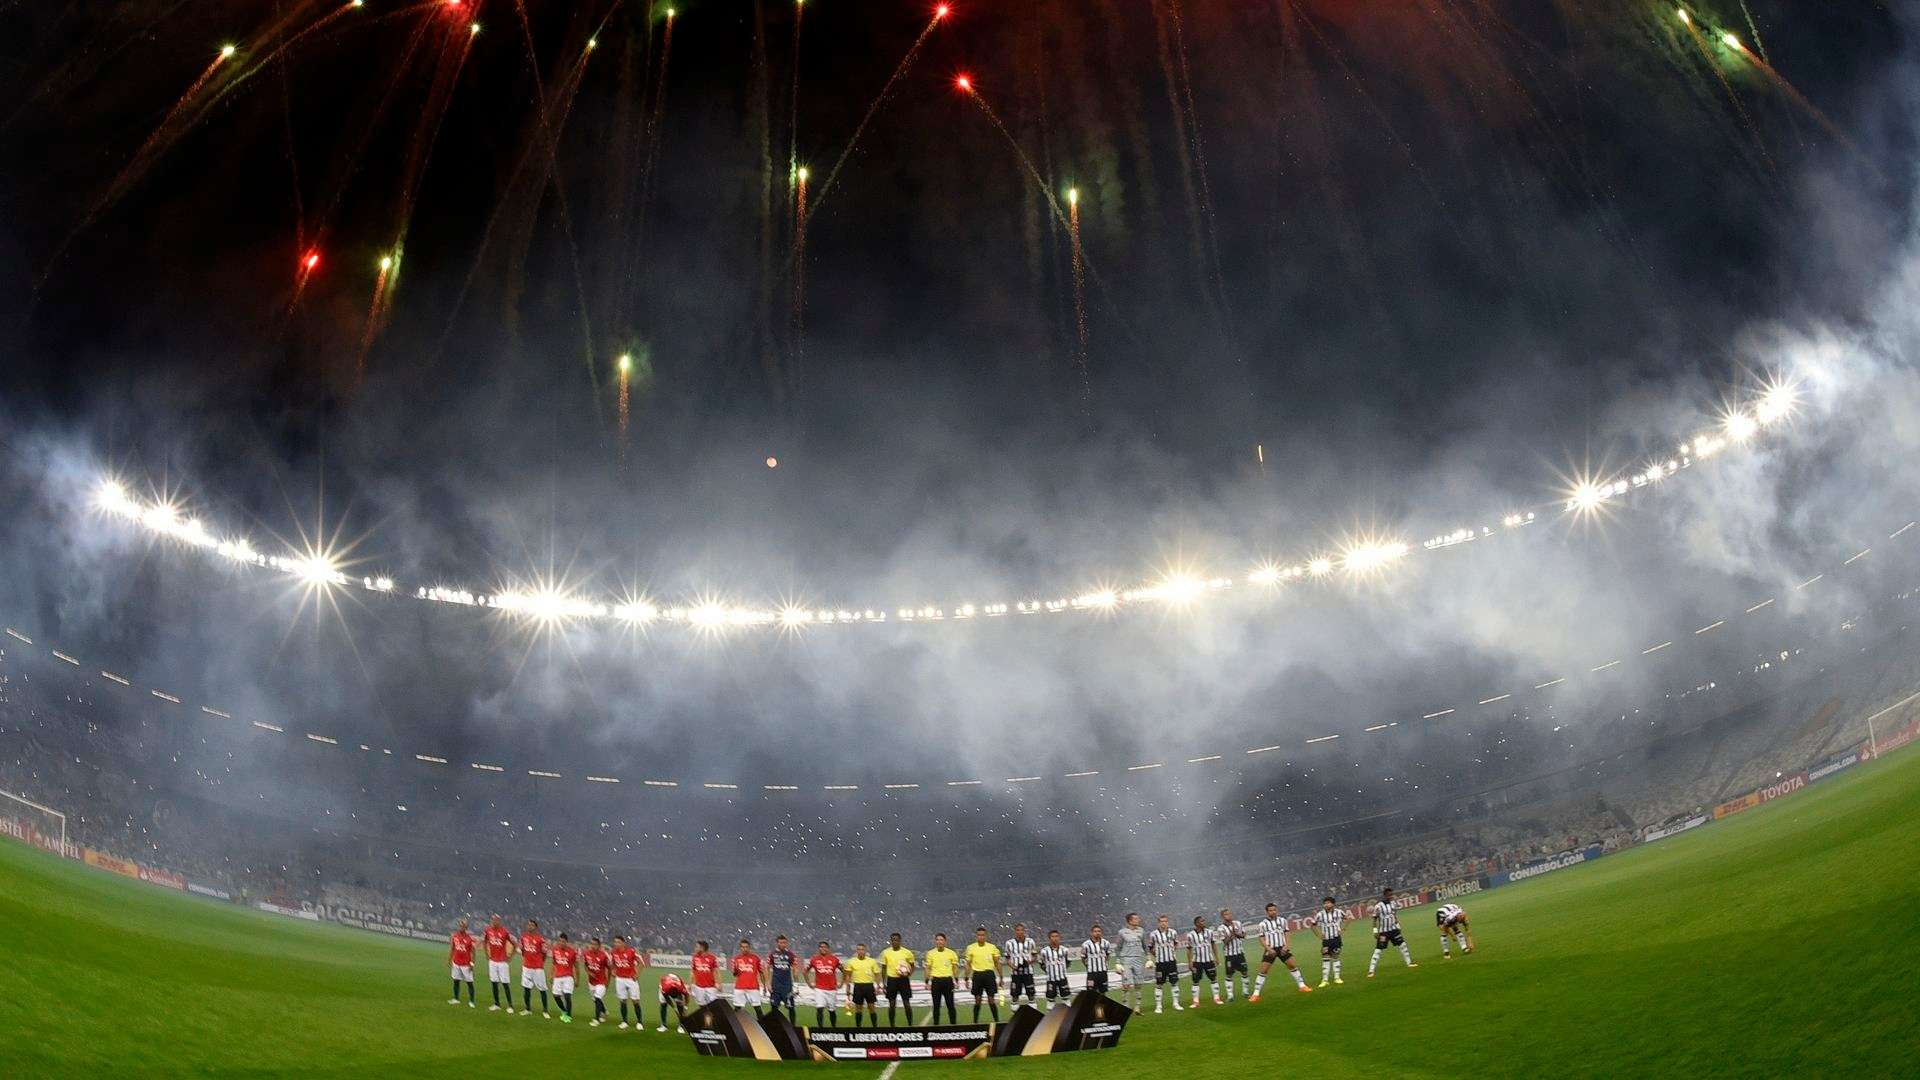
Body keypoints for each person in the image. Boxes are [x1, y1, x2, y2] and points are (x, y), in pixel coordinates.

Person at [1249, 902, 1312, 1000]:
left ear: (1277, 910)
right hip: (1270, 949)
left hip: (1282, 948)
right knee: (1263, 970)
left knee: (1292, 965)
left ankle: (1302, 986)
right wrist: (1269, 949)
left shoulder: (1282, 920)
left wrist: (1286, 946)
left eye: (1274, 910)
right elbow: (1261, 938)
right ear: (1267, 912)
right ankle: (1256, 994)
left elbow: (1287, 933)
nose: (1273, 912)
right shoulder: (1263, 924)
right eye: (1270, 910)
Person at [1367, 887, 1418, 978]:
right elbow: (1374, 919)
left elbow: (1394, 915)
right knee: (1378, 950)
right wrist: (1375, 931)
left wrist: (1398, 925)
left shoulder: (1393, 903)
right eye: (1390, 895)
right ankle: (1371, 971)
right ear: (1385, 895)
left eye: (1392, 894)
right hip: (1384, 932)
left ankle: (1409, 963)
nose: (1391, 896)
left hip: (1394, 929)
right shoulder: (1378, 906)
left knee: (1403, 945)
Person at [1146, 915, 1185, 1014]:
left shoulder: (1173, 932)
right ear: (1158, 923)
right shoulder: (1153, 934)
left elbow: (1176, 944)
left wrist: (1172, 952)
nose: (1164, 923)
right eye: (1162, 921)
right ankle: (1159, 1006)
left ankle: (1176, 1003)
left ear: (1168, 922)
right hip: (1160, 963)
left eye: (1165, 921)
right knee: (1159, 984)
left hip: (1171, 962)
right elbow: (1150, 947)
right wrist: (1156, 955)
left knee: (1174, 982)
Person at [964, 927, 1002, 1023]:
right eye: (979, 935)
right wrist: (966, 978)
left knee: (991, 1000)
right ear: (976, 936)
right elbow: (968, 964)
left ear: (986, 936)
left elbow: (997, 963)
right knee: (977, 1000)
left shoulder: (992, 947)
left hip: (989, 975)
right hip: (977, 975)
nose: (981, 937)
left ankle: (997, 1021)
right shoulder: (971, 948)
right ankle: (975, 1022)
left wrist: (1001, 977)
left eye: (983, 935)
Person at [879, 933, 917, 1027]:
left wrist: (909, 973)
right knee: (892, 1004)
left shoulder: (907, 952)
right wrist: (884, 983)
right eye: (893, 940)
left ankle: (910, 1025)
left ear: (900, 941)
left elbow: (912, 965)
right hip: (891, 980)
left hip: (903, 980)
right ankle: (892, 1026)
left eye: (896, 940)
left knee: (906, 1003)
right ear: (890, 941)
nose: (894, 942)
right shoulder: (885, 952)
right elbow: (883, 968)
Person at [924, 933, 961, 1025]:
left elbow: (955, 968)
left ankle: (953, 1026)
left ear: (945, 941)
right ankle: (936, 1027)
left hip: (948, 981)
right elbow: (928, 968)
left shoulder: (951, 953)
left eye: (941, 940)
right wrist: (927, 981)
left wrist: (956, 980)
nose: (939, 942)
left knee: (950, 1005)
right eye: (937, 940)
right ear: (935, 941)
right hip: (936, 982)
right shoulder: (930, 953)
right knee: (936, 1006)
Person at [1186, 915, 1222, 1007]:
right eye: (1202, 921)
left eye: (1204, 921)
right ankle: (1195, 1001)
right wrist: (1190, 962)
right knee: (1195, 981)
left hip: (1209, 960)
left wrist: (1217, 958)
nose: (1204, 922)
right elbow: (1189, 949)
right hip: (1196, 961)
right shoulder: (1190, 935)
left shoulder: (1209, 932)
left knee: (1213, 978)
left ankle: (1217, 998)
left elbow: (1213, 945)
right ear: (1197, 923)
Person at [842, 943, 882, 1028]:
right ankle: (858, 1028)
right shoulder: (851, 962)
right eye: (859, 949)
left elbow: (877, 974)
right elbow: (848, 975)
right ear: (856, 951)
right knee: (858, 1009)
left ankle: (875, 1027)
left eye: (862, 949)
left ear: (865, 951)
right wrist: (847, 987)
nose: (860, 951)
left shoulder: (872, 961)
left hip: (869, 986)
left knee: (872, 1008)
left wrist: (878, 986)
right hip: (858, 987)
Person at [1115, 913, 1149, 1011]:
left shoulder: (1141, 931)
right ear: (1130, 921)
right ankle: (1125, 1007)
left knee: (1138, 984)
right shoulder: (1122, 932)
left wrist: (1149, 958)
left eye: (1138, 918)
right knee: (1126, 984)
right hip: (1126, 960)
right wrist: (1118, 962)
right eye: (1136, 919)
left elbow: (1144, 946)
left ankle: (1137, 1006)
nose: (1138, 920)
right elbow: (1118, 948)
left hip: (1138, 959)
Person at [1216, 909, 1251, 1002]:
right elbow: (1225, 942)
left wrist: (1238, 934)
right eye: (1226, 914)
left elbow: (1244, 935)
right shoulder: (1220, 928)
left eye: (1230, 913)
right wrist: (1232, 934)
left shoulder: (1238, 923)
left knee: (1245, 972)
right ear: (1222, 917)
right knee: (1229, 974)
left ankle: (1246, 992)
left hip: (1240, 953)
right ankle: (1230, 995)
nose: (1229, 915)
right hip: (1229, 955)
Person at [483, 914, 517, 1012]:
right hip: (492, 961)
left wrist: (510, 956)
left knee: (505, 983)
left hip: (502, 962)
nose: (494, 922)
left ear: (499, 921)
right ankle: (496, 1004)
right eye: (493, 920)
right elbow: (485, 942)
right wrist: (486, 954)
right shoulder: (488, 930)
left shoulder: (505, 932)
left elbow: (515, 944)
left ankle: (510, 1006)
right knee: (494, 982)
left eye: (496, 920)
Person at [610, 934, 644, 1029]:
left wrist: (637, 974)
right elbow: (612, 963)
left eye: (618, 942)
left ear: (623, 943)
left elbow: (641, 963)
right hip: (619, 979)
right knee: (622, 1001)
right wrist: (613, 970)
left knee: (635, 1001)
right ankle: (624, 1021)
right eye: (615, 942)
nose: (616, 944)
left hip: (630, 979)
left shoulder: (631, 951)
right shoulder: (613, 952)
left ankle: (639, 1022)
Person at [807, 941, 843, 1028]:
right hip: (819, 988)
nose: (823, 949)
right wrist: (809, 983)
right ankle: (820, 1029)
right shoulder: (814, 959)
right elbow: (805, 971)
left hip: (832, 988)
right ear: (819, 948)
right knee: (819, 1008)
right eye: (821, 947)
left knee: (832, 1010)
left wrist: (842, 982)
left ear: (828, 949)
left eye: (825, 947)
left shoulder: (834, 959)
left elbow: (844, 970)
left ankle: (834, 1028)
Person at [519, 919, 550, 1018]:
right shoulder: (523, 937)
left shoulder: (540, 939)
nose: (530, 926)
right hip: (527, 967)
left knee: (542, 989)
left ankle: (545, 1010)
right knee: (526, 988)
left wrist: (541, 963)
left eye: (532, 925)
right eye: (528, 925)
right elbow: (523, 950)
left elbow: (545, 953)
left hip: (537, 968)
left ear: (536, 927)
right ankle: (527, 1009)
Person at [1312, 897, 1345, 987]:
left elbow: (1347, 918)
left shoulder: (1339, 912)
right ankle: (1325, 980)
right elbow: (1313, 925)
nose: (1326, 904)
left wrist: (1343, 929)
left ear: (1333, 904)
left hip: (1336, 939)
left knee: (1335, 956)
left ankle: (1337, 978)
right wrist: (1319, 935)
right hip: (1326, 940)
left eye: (1328, 903)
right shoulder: (1320, 914)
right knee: (1325, 958)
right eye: (1325, 903)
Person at [767, 935, 799, 1023]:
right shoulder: (772, 954)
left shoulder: (791, 955)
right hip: (775, 986)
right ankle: (774, 1026)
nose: (782, 944)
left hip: (787, 986)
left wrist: (796, 986)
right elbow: (768, 969)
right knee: (774, 1007)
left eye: (784, 942)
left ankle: (793, 1027)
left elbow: (795, 970)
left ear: (787, 943)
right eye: (780, 942)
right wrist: (768, 983)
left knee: (791, 1008)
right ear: (777, 943)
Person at [1038, 930, 1075, 1006]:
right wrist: (1048, 971)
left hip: (1062, 978)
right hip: (1051, 979)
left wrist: (1062, 970)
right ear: (1049, 938)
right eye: (1053, 936)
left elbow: (1068, 962)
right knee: (1050, 1000)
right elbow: (1041, 964)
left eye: (1056, 936)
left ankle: (1067, 1016)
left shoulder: (1065, 950)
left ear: (1059, 938)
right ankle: (1051, 1017)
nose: (1055, 938)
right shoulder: (1044, 951)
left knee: (1066, 998)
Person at [1004, 924, 1038, 1005]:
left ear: (1024, 931)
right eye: (1018, 930)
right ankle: (1016, 1015)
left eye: (1022, 930)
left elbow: (1035, 956)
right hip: (1015, 973)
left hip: (1028, 972)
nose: (1020, 932)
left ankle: (1032, 1016)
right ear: (1015, 931)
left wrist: (1029, 962)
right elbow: (1007, 958)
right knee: (1015, 996)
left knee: (1031, 995)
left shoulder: (1030, 941)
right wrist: (1013, 966)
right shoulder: (1009, 943)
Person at [582, 936, 611, 1026]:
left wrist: (608, 982)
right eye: (592, 944)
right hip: (591, 982)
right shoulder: (586, 954)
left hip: (601, 981)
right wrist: (588, 972)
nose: (593, 946)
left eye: (595, 944)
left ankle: (596, 1019)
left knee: (598, 997)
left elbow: (609, 969)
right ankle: (604, 1011)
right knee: (595, 999)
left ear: (599, 946)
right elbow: (585, 965)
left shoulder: (604, 955)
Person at [448, 919, 477, 1007]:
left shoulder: (469, 938)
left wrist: (472, 963)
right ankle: (456, 999)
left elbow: (473, 952)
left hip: (466, 964)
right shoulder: (455, 936)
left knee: (469, 983)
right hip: (456, 962)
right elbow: (452, 949)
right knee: (456, 981)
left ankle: (471, 1001)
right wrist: (449, 960)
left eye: (463, 926)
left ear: (466, 927)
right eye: (460, 926)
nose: (461, 927)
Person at [551, 933, 579, 1023]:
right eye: (560, 941)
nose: (561, 943)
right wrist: (551, 975)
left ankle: (568, 1016)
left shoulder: (572, 952)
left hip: (568, 977)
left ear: (567, 942)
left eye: (563, 941)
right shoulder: (555, 950)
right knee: (556, 996)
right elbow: (554, 963)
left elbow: (577, 966)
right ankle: (564, 1010)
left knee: (567, 996)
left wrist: (577, 979)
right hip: (558, 976)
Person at [731, 938, 767, 1009]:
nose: (744, 949)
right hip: (740, 987)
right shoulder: (736, 959)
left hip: (753, 987)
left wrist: (764, 985)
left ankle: (761, 1020)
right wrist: (735, 970)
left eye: (746, 947)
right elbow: (735, 974)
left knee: (758, 1009)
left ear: (749, 947)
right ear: (740, 948)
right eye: (743, 947)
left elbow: (761, 973)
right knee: (737, 1009)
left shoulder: (756, 958)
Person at [1080, 924, 1114, 997]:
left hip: (1103, 972)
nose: (1097, 933)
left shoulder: (1106, 943)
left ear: (1101, 932)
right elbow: (1083, 958)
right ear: (1091, 933)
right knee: (1091, 993)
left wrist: (1105, 963)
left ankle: (1102, 1007)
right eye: (1095, 931)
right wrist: (1087, 966)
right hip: (1091, 973)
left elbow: (1108, 955)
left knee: (1103, 992)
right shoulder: (1086, 944)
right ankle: (1092, 1007)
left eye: (1099, 931)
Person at [689, 940, 721, 1007]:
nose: (695, 948)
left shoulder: (712, 958)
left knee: (713, 1006)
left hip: (711, 987)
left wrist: (719, 984)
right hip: (699, 987)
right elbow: (692, 972)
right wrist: (690, 985)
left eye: (697, 947)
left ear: (702, 948)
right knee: (701, 1006)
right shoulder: (695, 958)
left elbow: (717, 972)